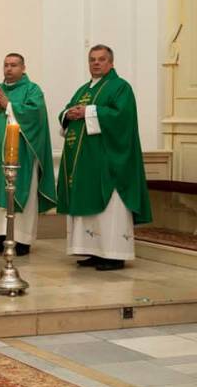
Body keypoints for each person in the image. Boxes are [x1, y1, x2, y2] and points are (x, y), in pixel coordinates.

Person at [57, 45, 151, 270]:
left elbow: (122, 117)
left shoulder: (120, 87)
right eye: (92, 59)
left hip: (109, 161)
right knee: (90, 209)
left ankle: (114, 255)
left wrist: (88, 111)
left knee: (111, 208)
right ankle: (94, 251)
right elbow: (68, 111)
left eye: (101, 59)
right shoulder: (83, 90)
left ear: (111, 63)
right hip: (86, 163)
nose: (96, 63)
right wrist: (68, 114)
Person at [0, 53, 56, 256]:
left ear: (23, 68)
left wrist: (9, 105)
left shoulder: (32, 90)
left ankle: (22, 240)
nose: (9, 69)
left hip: (22, 156)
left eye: (14, 65)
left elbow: (35, 114)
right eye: (6, 65)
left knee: (20, 192)